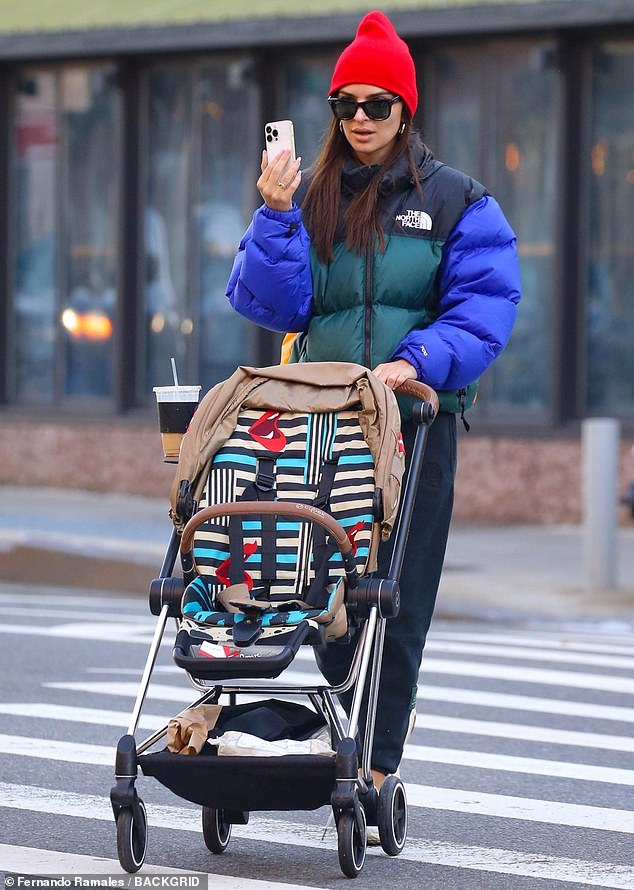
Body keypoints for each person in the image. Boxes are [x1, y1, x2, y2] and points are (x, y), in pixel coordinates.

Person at [226, 9, 521, 802]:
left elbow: (486, 308)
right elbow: (276, 305)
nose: (360, 119)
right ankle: (337, 725)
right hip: (320, 426)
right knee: (324, 590)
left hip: (414, 426)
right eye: (345, 105)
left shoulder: (460, 201)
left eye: (377, 105)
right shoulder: (312, 194)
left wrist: (415, 360)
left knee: (397, 595)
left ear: (406, 110)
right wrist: (277, 218)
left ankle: (377, 762)